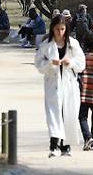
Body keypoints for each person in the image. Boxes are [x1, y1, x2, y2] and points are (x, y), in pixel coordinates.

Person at [34, 14, 86, 157]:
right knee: (54, 113)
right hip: (53, 84)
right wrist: (50, 64)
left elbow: (81, 63)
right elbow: (38, 64)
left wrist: (71, 63)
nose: (60, 32)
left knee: (69, 113)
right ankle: (54, 145)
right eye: (57, 29)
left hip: (69, 84)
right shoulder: (46, 46)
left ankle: (66, 145)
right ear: (52, 29)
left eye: (62, 29)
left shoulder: (73, 44)